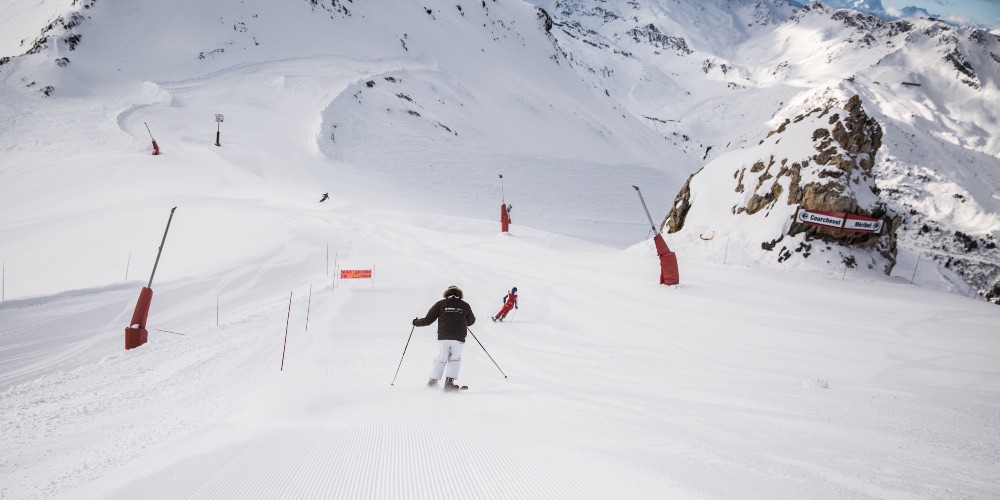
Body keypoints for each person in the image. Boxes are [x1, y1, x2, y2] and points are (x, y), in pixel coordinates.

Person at [412, 285, 476, 391]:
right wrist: (463, 320)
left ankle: (432, 382)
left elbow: (428, 320)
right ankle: (449, 383)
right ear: (459, 294)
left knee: (442, 358)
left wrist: (416, 322)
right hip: (458, 338)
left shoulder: (440, 304)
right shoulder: (465, 305)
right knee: (455, 359)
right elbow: (471, 321)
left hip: (444, 337)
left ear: (447, 294)